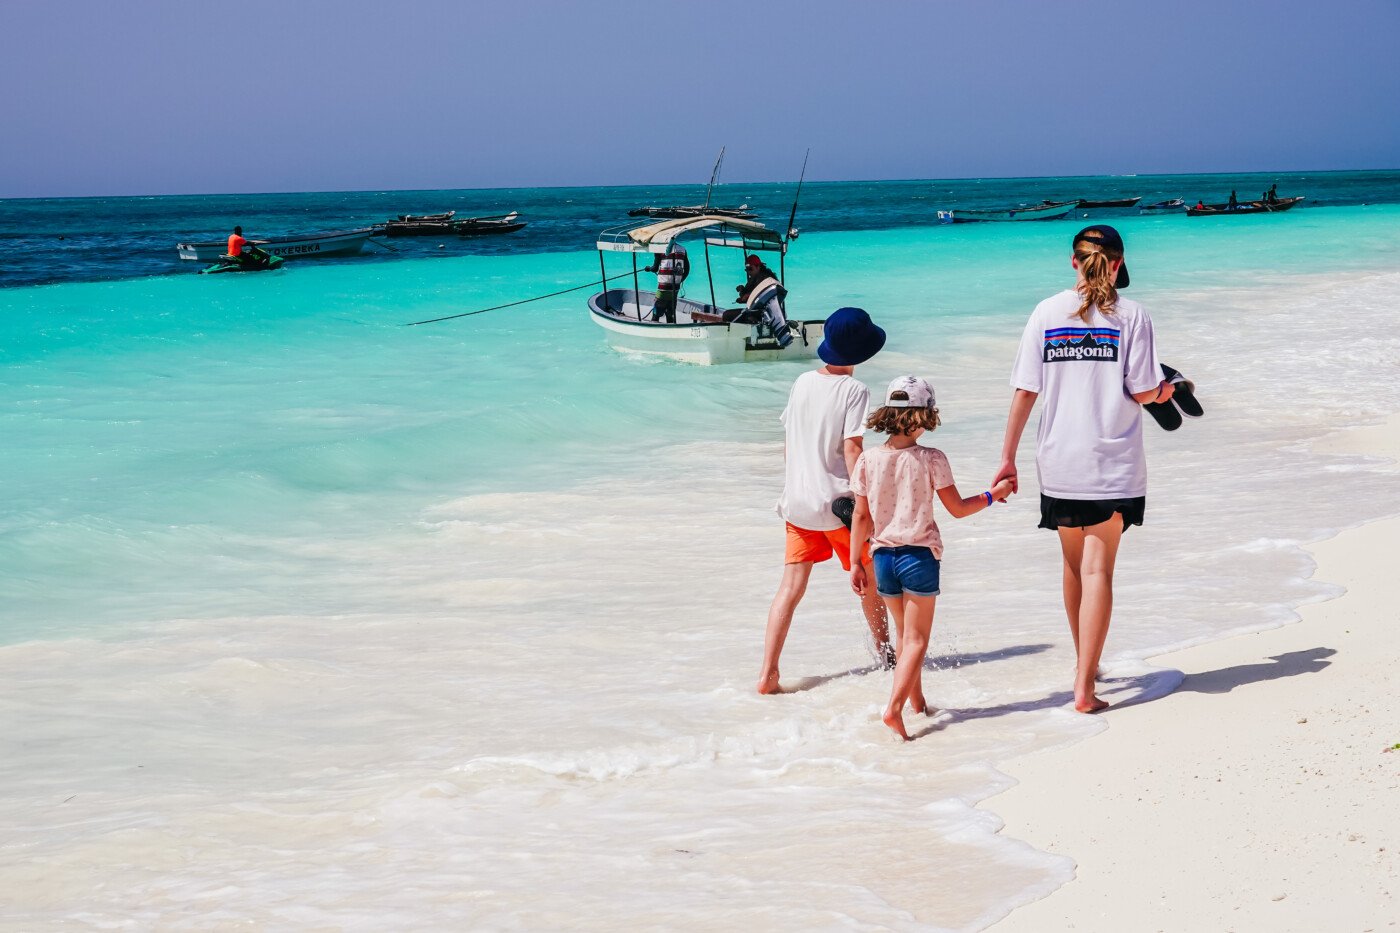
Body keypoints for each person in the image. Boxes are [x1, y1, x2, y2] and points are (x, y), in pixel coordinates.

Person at [994, 225, 1175, 714]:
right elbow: (1141, 390)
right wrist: (1166, 392)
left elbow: (1025, 390)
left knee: (1073, 568)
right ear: (1117, 264)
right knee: (1098, 570)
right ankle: (1083, 688)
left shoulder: (1046, 312)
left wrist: (1007, 457)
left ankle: (1085, 666)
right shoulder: (1132, 315)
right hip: (1110, 465)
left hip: (1057, 462)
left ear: (1073, 262)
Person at [849, 376, 1014, 740]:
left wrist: (855, 562)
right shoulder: (931, 458)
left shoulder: (868, 459)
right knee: (918, 641)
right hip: (918, 558)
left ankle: (918, 704)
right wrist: (993, 494)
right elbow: (957, 509)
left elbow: (861, 517)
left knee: (907, 637)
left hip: (882, 559)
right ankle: (893, 709)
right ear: (922, 416)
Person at [758, 307, 891, 695]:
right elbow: (852, 449)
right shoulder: (855, 390)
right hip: (837, 508)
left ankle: (768, 672)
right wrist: (867, 497)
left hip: (797, 503)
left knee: (790, 589)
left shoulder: (802, 382)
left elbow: (789, 443)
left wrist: (795, 486)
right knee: (869, 582)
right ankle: (887, 655)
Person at [643, 243, 688, 323]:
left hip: (663, 289)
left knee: (656, 315)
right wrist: (679, 280)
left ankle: (652, 331)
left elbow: (655, 268)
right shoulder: (683, 249)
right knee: (670, 315)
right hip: (675, 288)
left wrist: (648, 268)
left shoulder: (658, 249)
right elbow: (687, 270)